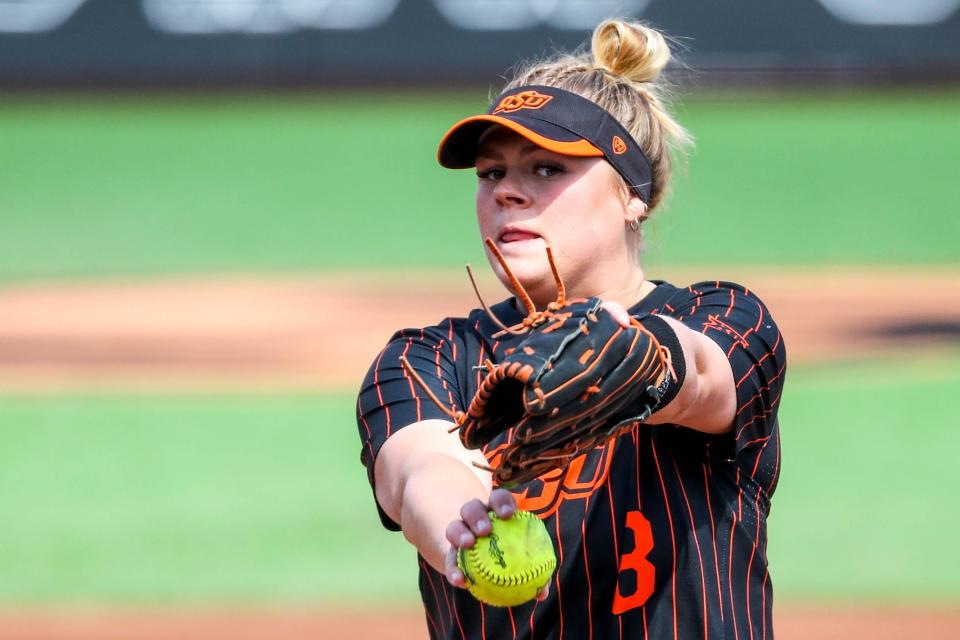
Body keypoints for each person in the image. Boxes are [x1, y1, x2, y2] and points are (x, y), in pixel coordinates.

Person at [356, 19, 786, 640]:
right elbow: (419, 468)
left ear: (632, 194)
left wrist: (640, 359)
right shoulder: (428, 356)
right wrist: (463, 521)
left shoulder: (727, 317)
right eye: (491, 173)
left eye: (547, 169)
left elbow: (698, 374)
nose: (508, 191)